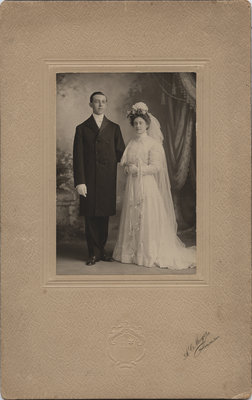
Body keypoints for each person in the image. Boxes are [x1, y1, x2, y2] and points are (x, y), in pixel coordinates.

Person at [113, 102, 196, 270]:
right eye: (135, 123)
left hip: (147, 185)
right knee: (132, 215)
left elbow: (157, 167)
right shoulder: (131, 143)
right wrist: (129, 168)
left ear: (147, 124)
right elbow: (124, 162)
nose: (138, 126)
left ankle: (148, 253)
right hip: (133, 186)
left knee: (146, 216)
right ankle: (132, 252)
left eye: (141, 123)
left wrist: (139, 169)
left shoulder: (153, 144)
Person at [73, 92, 125, 266]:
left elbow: (122, 153)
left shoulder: (114, 127)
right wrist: (80, 181)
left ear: (106, 104)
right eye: (97, 102)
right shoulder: (81, 128)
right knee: (90, 216)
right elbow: (78, 157)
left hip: (107, 179)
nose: (100, 104)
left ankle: (101, 251)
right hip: (88, 179)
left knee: (104, 216)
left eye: (103, 102)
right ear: (90, 104)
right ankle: (92, 253)